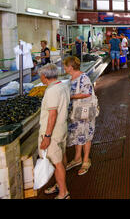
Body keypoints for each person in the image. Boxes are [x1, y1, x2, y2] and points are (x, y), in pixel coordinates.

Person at [38, 64, 71, 199]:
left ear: (44, 77)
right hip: (62, 128)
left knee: (57, 163)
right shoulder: (63, 85)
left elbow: (52, 115)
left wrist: (47, 136)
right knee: (62, 157)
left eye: (41, 75)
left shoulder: (51, 91)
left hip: (53, 132)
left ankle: (63, 193)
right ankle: (59, 184)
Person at [63, 56, 96, 176]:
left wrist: (70, 96)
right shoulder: (71, 78)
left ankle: (86, 160)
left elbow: (87, 93)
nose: (64, 68)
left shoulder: (83, 78)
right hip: (75, 112)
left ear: (71, 67)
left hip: (85, 111)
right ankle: (77, 158)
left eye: (65, 66)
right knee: (77, 133)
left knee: (86, 134)